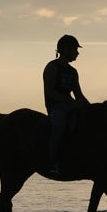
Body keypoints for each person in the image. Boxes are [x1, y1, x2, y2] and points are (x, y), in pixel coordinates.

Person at [43, 35, 89, 176]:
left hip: (70, 106)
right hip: (56, 107)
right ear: (66, 50)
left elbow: (79, 95)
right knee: (59, 126)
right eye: (75, 49)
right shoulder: (52, 67)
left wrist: (92, 109)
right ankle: (53, 162)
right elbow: (50, 92)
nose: (77, 53)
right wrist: (71, 102)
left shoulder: (73, 72)